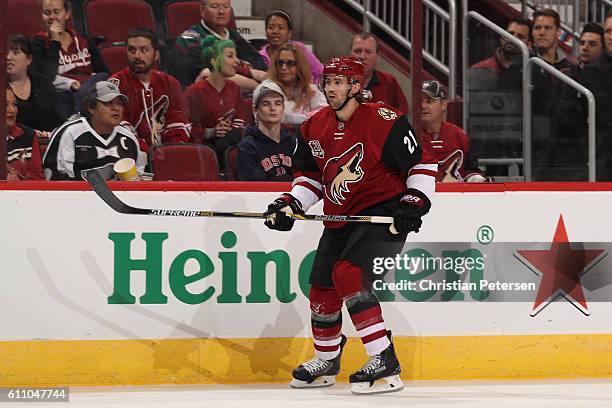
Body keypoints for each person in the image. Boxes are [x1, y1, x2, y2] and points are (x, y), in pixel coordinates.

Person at [263, 56, 436, 394]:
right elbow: (312, 178)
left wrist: (414, 201)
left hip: (384, 215)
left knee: (349, 275)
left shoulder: (385, 121)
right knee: (322, 285)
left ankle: (384, 359)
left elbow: (422, 164)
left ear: (356, 87)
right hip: (340, 216)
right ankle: (327, 359)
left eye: (338, 82)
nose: (330, 88)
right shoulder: (314, 127)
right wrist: (292, 203)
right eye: (327, 82)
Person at [109, 28, 191, 153]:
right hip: (131, 156)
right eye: (132, 50)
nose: (137, 55)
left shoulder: (170, 83)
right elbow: (120, 128)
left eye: (143, 50)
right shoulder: (115, 85)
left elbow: (178, 123)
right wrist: (148, 154)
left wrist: (172, 151)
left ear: (156, 55)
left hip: (168, 155)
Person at [43, 81, 144, 180]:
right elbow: (57, 179)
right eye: (108, 103)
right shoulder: (70, 133)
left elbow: (139, 176)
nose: (116, 108)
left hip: (121, 195)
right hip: (78, 195)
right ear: (91, 107)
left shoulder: (129, 137)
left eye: (120, 103)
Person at [31, 0, 109, 114]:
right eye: (47, 13)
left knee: (102, 78)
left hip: (88, 92)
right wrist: (55, 42)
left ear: (67, 14)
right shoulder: (38, 44)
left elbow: (103, 71)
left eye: (56, 12)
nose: (52, 17)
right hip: (61, 96)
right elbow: (46, 78)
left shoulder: (83, 39)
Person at [168, 0, 267, 88]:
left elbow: (260, 65)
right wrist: (259, 85)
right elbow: (212, 75)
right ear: (202, 10)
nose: (221, 12)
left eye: (226, 6)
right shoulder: (190, 38)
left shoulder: (234, 35)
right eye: (215, 6)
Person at [184, 39, 249, 163]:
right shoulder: (194, 92)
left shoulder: (234, 88)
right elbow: (186, 129)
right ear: (214, 61)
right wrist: (212, 132)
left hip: (230, 149)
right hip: (203, 155)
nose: (237, 61)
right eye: (230, 56)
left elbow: (240, 123)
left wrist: (229, 130)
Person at [420, 80, 486, 182]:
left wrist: (476, 179)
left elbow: (470, 170)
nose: (423, 106)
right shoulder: (407, 136)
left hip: (454, 196)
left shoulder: (459, 135)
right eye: (419, 101)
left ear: (444, 105)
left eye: (429, 101)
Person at [7, 34, 66, 135]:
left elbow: (61, 119)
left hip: (46, 141)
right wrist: (31, 134)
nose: (8, 57)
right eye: (5, 52)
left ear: (29, 59)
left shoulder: (43, 83)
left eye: (16, 52)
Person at [237, 80, 295, 181]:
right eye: (266, 104)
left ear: (283, 108)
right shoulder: (248, 147)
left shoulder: (293, 143)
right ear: (255, 110)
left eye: (277, 103)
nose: (272, 108)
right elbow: (255, 188)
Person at [579, 11, 612, 180]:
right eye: (608, 31)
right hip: (604, 157)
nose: (611, 36)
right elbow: (604, 113)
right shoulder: (593, 70)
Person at [267, 44, 327, 125]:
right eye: (280, 63)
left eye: (290, 63)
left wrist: (297, 118)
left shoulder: (310, 90)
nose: (283, 67)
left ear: (300, 66)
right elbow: (281, 117)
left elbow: (324, 114)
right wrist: (305, 118)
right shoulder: (268, 89)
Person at [258, 10, 323, 83]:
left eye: (281, 27)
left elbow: (321, 72)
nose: (275, 31)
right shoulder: (259, 56)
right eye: (271, 27)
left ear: (289, 33)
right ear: (265, 31)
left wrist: (313, 90)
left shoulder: (299, 49)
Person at [350, 32, 408, 113]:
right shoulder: (337, 82)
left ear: (377, 56)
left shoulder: (389, 82)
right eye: (357, 51)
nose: (362, 56)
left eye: (368, 52)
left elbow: (402, 115)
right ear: (350, 54)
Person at [470, 18, 531, 89]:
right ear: (502, 37)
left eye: (520, 36)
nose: (513, 39)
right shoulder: (480, 69)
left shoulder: (533, 71)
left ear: (529, 44)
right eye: (510, 33)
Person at [6, 88, 44, 181]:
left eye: (14, 104)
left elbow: (37, 178)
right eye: (4, 104)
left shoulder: (28, 136)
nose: (12, 110)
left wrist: (20, 182)